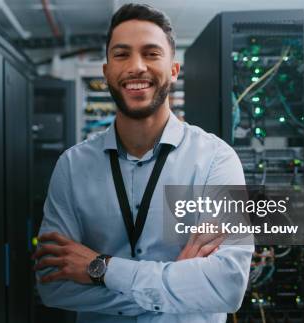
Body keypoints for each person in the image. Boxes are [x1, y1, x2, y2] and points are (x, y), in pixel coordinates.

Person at [32, 3, 253, 322]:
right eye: (122, 54)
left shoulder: (216, 161)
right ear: (106, 71)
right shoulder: (72, 166)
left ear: (174, 70)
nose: (137, 66)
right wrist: (178, 285)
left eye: (151, 53)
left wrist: (101, 268)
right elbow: (53, 286)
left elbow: (226, 288)